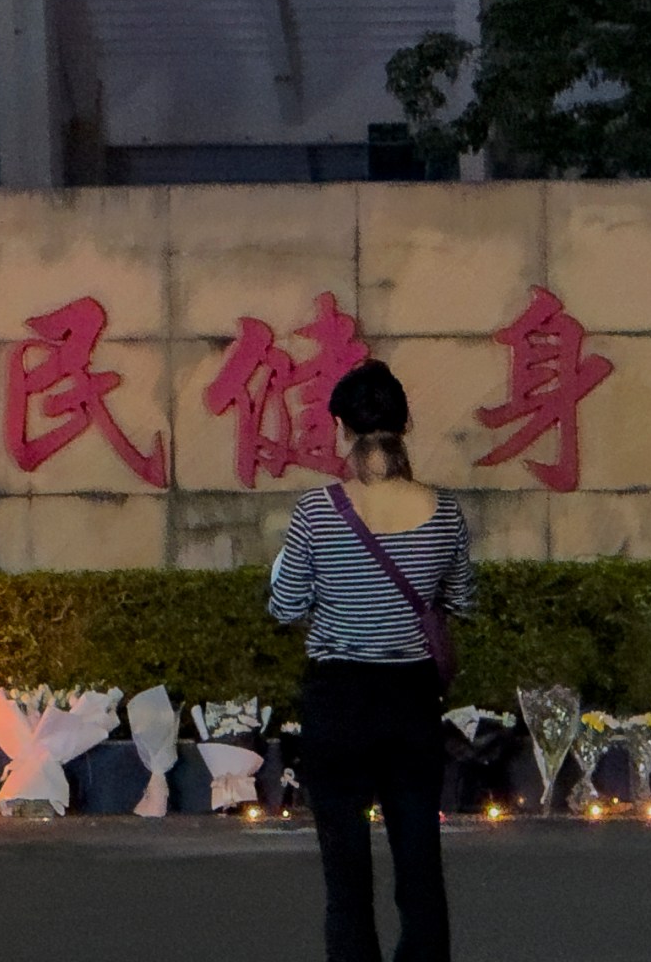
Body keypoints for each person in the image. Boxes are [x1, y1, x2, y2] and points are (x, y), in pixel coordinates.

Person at [269, 359, 477, 962]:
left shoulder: (317, 511)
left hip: (338, 702)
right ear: (406, 424)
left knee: (346, 878)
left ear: (339, 430)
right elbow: (461, 599)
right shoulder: (443, 511)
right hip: (410, 701)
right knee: (419, 864)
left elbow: (285, 608)